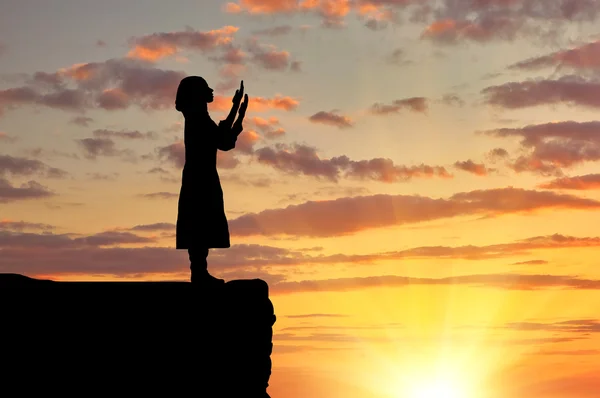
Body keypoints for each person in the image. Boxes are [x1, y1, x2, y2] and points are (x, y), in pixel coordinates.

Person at [174, 76, 249, 286]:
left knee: (202, 225)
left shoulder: (199, 117)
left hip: (203, 175)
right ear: (197, 94)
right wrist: (236, 111)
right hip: (200, 176)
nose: (211, 90)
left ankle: (200, 272)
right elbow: (221, 140)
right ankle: (198, 273)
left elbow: (222, 140)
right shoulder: (196, 117)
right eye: (206, 88)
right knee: (199, 224)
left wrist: (237, 111)